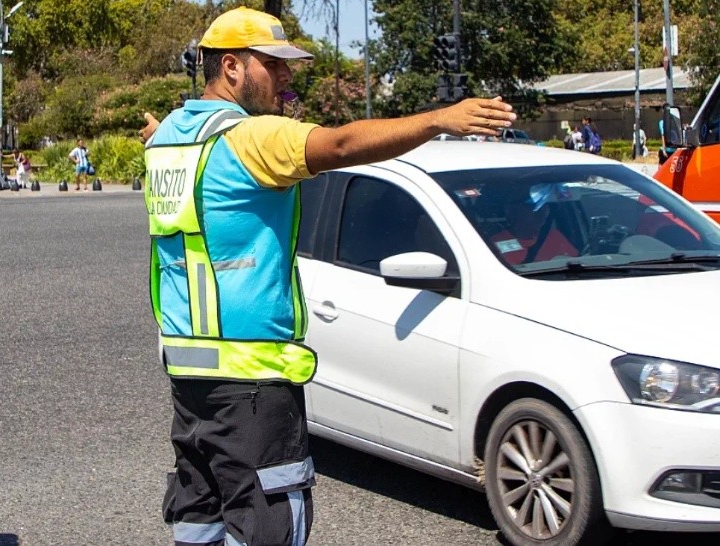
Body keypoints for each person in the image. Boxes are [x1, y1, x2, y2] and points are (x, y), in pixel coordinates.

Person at [140, 7, 516, 546]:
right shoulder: (253, 138)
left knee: (200, 523)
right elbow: (339, 146)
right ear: (231, 67)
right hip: (253, 383)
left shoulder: (170, 139)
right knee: (268, 525)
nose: (288, 77)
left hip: (189, 379)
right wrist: (438, 119)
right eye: (273, 64)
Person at [490, 191, 578, 265]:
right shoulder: (494, 244)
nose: (540, 211)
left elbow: (578, 264)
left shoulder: (555, 236)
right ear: (511, 211)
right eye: (532, 206)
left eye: (544, 205)